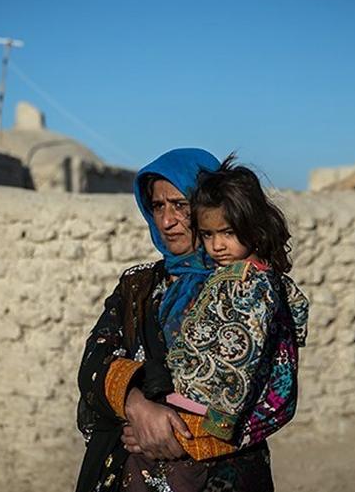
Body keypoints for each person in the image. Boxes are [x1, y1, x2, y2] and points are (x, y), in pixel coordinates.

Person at [75, 149, 307, 492]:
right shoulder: (138, 285)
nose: (167, 221)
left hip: (225, 475)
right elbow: (95, 361)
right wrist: (139, 408)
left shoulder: (251, 286)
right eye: (157, 206)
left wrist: (185, 437)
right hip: (133, 466)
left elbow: (277, 394)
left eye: (180, 205)